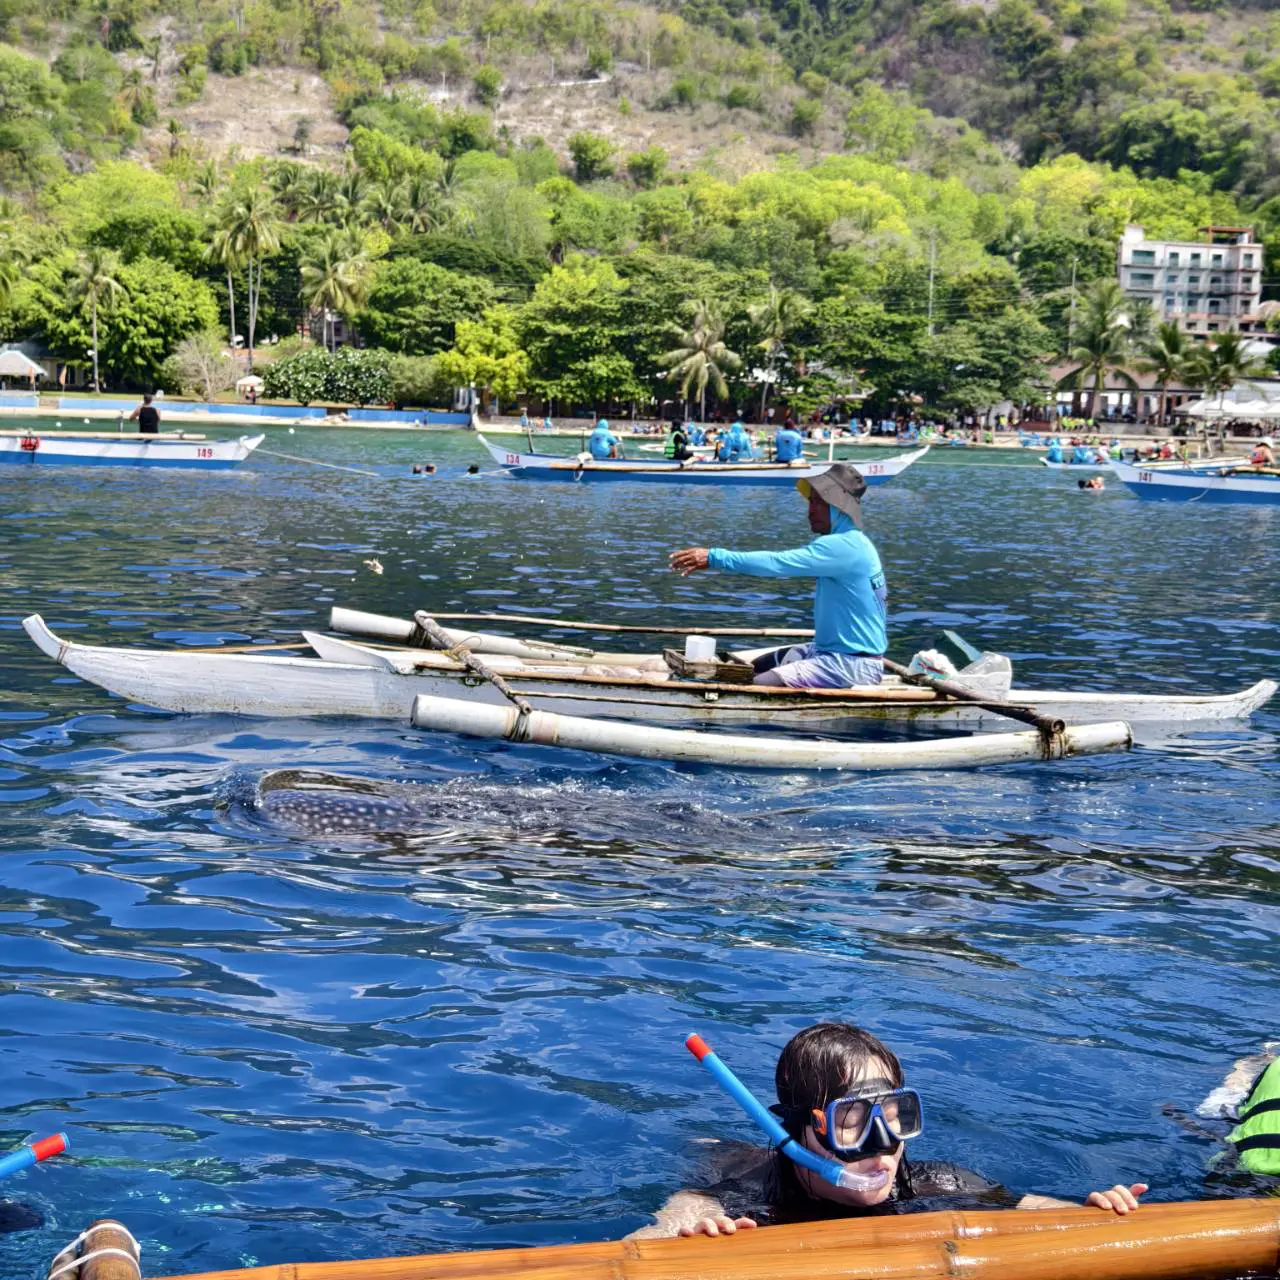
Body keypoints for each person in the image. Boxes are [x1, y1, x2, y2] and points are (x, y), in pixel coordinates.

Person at [640, 1022, 1149, 1238]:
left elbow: (1036, 1210)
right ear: (801, 1130)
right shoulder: (731, 1198)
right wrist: (690, 1241)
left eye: (896, 1117)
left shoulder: (940, 1184)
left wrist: (1095, 1211)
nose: (883, 1147)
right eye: (853, 1121)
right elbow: (645, 1246)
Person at [669, 464, 886, 690]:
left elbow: (776, 563)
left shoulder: (844, 546)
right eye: (810, 502)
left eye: (817, 503)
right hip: (827, 652)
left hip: (851, 665)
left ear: (837, 507)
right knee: (752, 668)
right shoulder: (854, 542)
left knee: (754, 687)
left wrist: (715, 557)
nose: (810, 511)